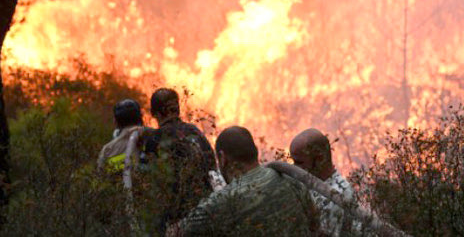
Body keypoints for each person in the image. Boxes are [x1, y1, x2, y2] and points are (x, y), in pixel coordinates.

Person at [170, 126, 319, 236]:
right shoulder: (291, 180)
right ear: (255, 151)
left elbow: (178, 233)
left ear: (222, 158)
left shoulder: (221, 201)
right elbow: (314, 225)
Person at [143, 88, 217, 231]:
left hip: (175, 219)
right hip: (206, 210)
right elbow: (212, 166)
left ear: (154, 114)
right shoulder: (195, 131)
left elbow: (148, 181)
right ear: (178, 108)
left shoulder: (155, 139)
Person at [290, 128, 359, 237]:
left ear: (320, 159)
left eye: (299, 162)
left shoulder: (335, 197)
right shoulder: (314, 185)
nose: (294, 167)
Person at [97, 98, 146, 173]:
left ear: (115, 122)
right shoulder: (151, 139)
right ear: (141, 118)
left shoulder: (107, 150)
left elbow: (100, 177)